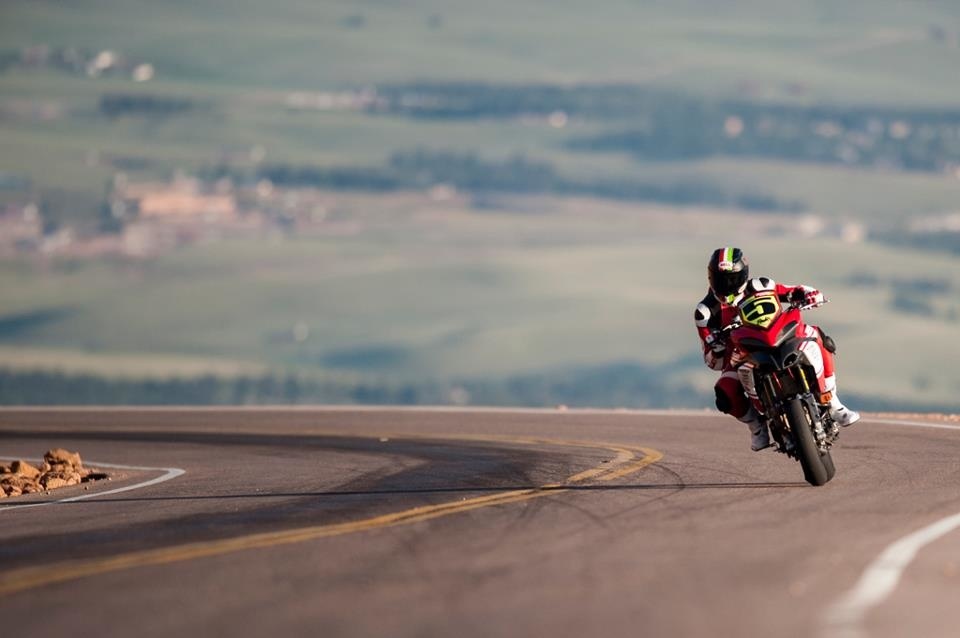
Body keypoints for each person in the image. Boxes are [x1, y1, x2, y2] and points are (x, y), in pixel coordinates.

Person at [694, 247, 860, 451]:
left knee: (816, 334)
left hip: (779, 334)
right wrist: (717, 347)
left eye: (732, 279)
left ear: (744, 275)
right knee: (725, 392)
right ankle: (757, 427)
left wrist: (809, 294)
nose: (727, 285)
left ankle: (833, 401)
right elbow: (711, 359)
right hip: (741, 354)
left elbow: (792, 291)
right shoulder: (705, 312)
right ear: (711, 278)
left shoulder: (762, 285)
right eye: (721, 280)